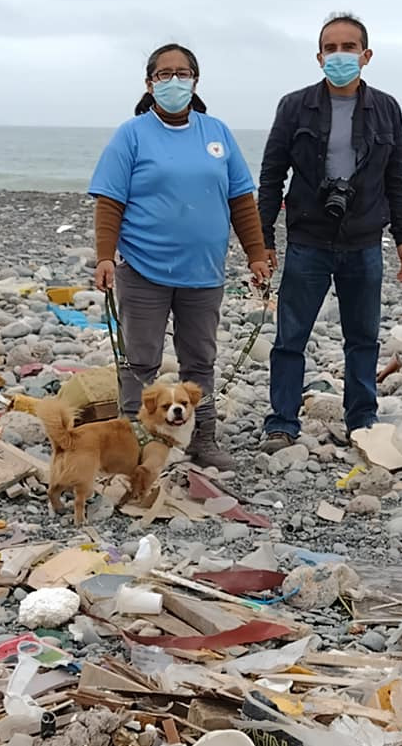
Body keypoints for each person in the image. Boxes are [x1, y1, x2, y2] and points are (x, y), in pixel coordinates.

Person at [89, 43, 271, 470]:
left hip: (203, 273)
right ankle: (134, 442)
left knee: (199, 359)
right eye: (164, 74)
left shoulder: (217, 133)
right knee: (141, 360)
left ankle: (201, 438)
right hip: (143, 268)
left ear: (195, 80)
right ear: (150, 84)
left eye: (182, 73)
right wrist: (104, 257)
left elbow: (241, 199)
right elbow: (109, 201)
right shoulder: (131, 134)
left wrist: (257, 254)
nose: (174, 81)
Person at [257, 13, 402, 453]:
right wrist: (263, 241)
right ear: (319, 56)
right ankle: (282, 422)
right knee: (290, 338)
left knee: (363, 338)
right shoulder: (295, 106)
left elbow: (396, 178)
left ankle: (362, 419)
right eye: (331, 48)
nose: (340, 55)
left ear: (366, 56)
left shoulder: (386, 108)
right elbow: (272, 175)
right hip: (308, 240)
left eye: (349, 47)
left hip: (364, 242)